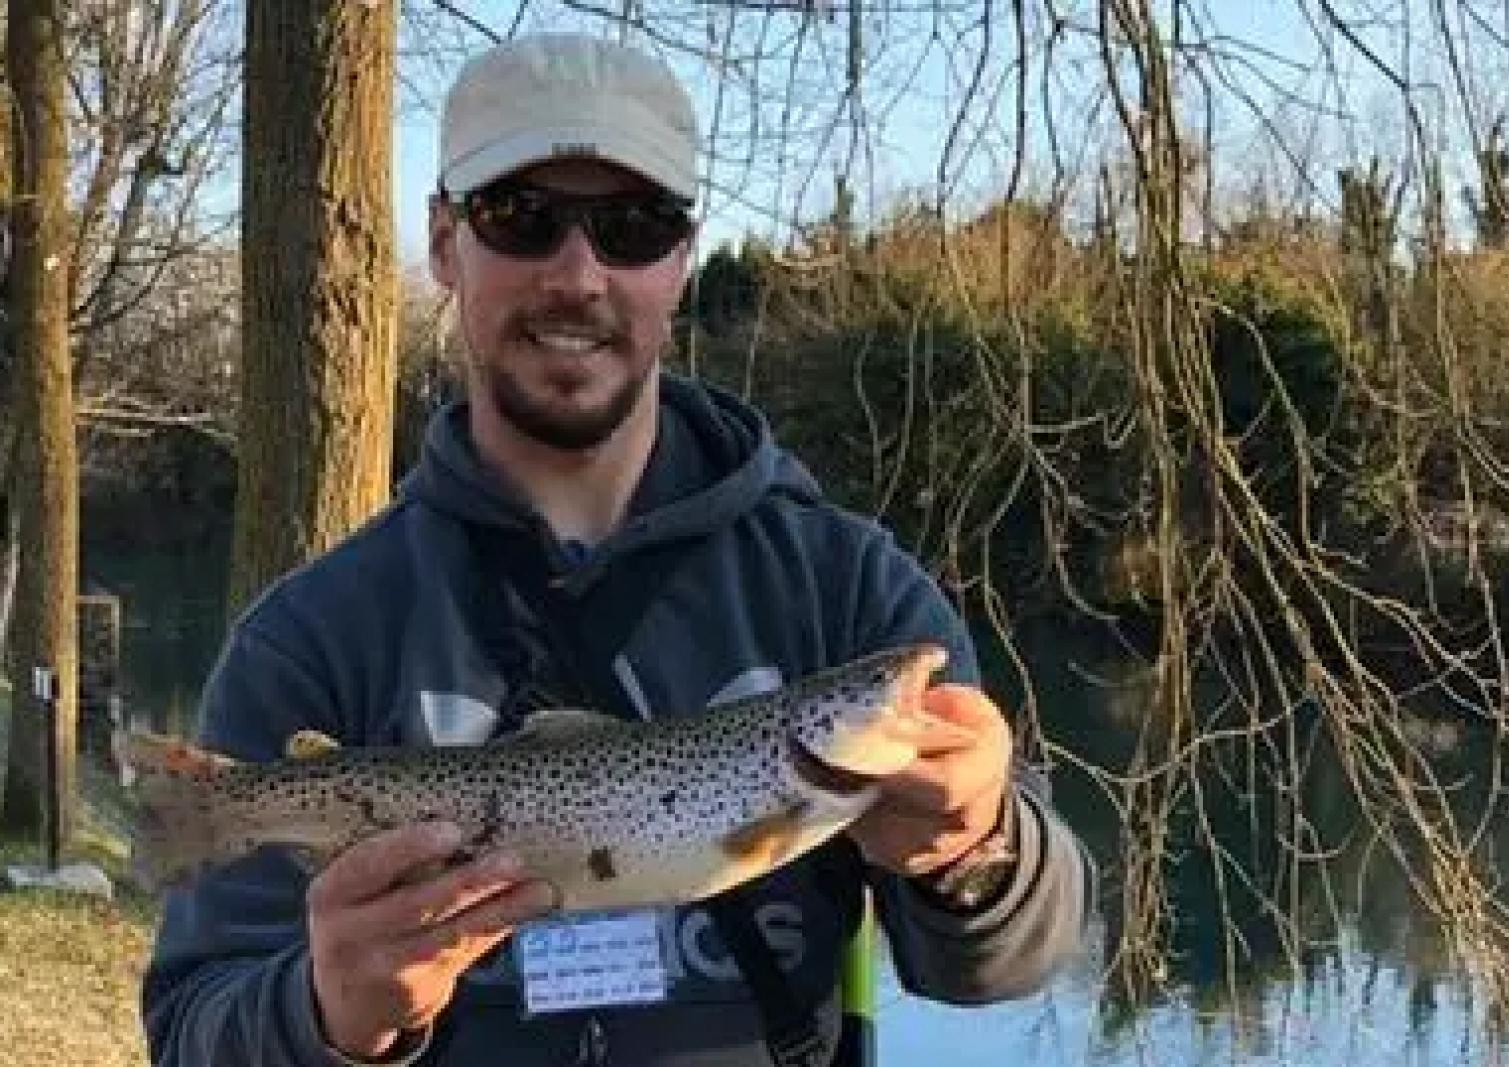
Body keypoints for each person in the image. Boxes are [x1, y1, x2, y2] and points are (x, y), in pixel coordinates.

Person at [142, 31, 1093, 1067]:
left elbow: (1011, 960)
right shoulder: (310, 634)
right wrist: (331, 1015)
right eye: (522, 216)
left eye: (632, 226)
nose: (577, 273)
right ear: (446, 242)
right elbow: (192, 1032)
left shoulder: (846, 583)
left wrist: (978, 846)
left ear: (681, 260)